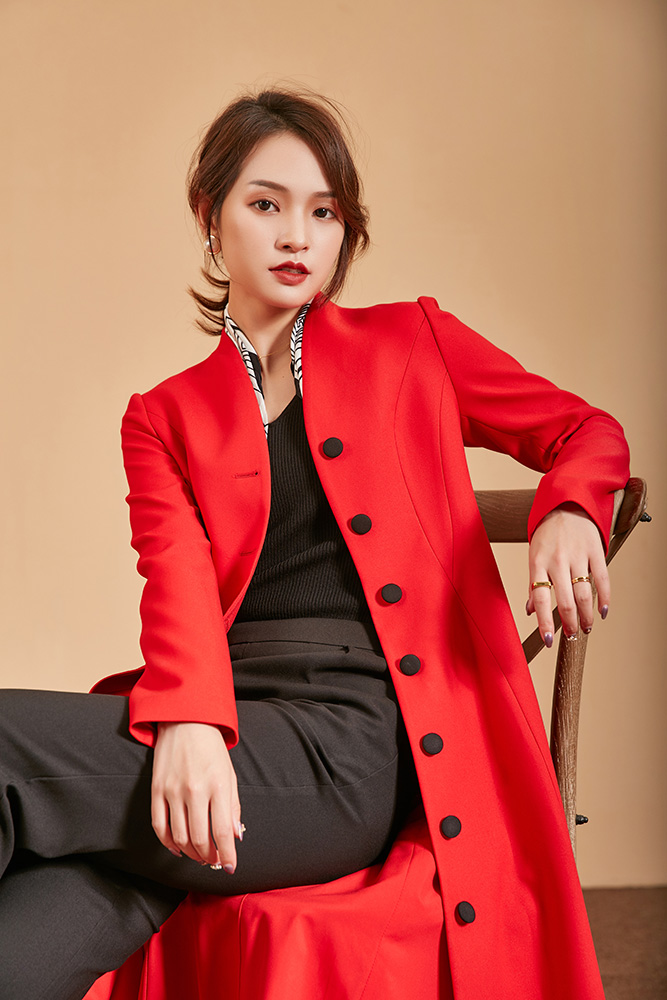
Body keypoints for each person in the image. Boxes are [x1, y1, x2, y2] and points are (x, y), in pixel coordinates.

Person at [0, 89, 630, 1000]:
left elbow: (584, 430)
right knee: (23, 941)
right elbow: (175, 583)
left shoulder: (410, 342)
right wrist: (190, 721)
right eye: (267, 204)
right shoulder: (162, 417)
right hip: (221, 737)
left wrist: (567, 510)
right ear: (210, 217)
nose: (298, 235)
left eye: (324, 212)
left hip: (344, 752)